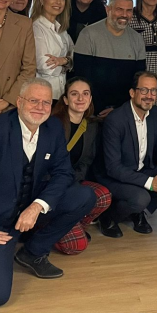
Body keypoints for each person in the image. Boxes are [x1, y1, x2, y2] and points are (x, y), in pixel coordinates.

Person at [0, 79, 96, 308]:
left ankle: (32, 252)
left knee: (84, 196)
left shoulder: (53, 127)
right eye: (33, 100)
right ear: (19, 102)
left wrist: (38, 205)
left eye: (46, 102)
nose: (40, 107)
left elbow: (64, 173)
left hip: (28, 207)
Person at [98, 71, 157, 238]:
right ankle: (108, 217)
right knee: (141, 198)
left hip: (141, 169)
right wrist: (150, 183)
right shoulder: (116, 119)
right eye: (144, 90)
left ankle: (137, 212)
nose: (149, 95)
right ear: (132, 92)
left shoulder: (155, 114)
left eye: (153, 90)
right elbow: (113, 167)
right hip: (113, 176)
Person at [50, 78, 112, 254]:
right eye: (74, 94)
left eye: (85, 94)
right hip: (51, 187)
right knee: (76, 246)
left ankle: (73, 222)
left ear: (90, 99)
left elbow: (86, 161)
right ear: (65, 99)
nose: (80, 98)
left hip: (72, 182)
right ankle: (46, 226)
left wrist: (73, 182)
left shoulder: (91, 126)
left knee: (103, 196)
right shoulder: (53, 124)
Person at [73, 0, 147, 113]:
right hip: (91, 110)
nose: (124, 15)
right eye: (119, 9)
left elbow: (139, 81)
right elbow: (81, 77)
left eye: (129, 10)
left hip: (125, 111)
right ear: (107, 9)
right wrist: (97, 109)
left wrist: (118, 109)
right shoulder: (88, 34)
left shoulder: (137, 39)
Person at [31, 0, 74, 100]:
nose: (58, 2)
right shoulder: (36, 28)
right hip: (41, 92)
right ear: (41, 0)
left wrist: (63, 60)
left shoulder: (62, 30)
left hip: (61, 91)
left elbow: (75, 54)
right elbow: (43, 66)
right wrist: (67, 64)